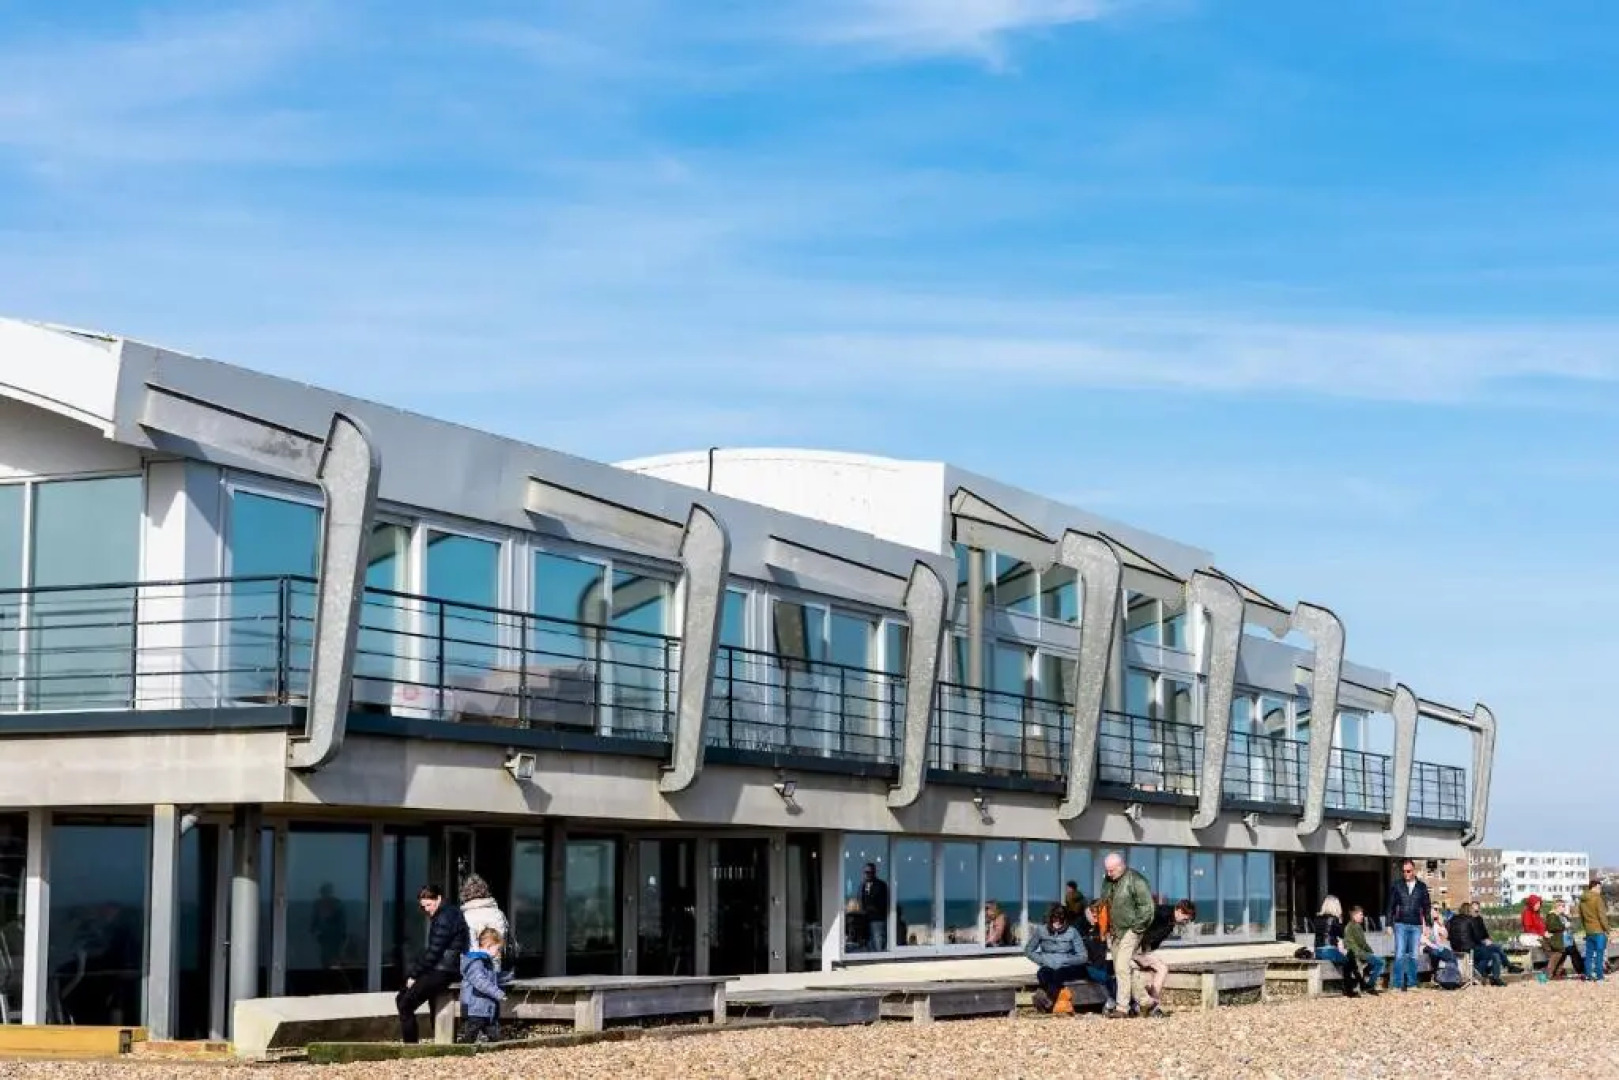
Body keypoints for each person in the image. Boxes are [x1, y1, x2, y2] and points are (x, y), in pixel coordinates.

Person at [396, 885, 469, 1044]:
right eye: (424, 906)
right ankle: (437, 1041)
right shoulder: (450, 912)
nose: (427, 909)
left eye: (429, 904)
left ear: (439, 899)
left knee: (404, 1002)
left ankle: (411, 1046)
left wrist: (414, 975)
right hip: (447, 968)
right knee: (422, 1000)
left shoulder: (443, 918)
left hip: (443, 970)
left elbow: (434, 953)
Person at [1099, 852, 1154, 1019]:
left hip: (1132, 929)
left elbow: (1147, 907)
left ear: (1121, 866)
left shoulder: (1136, 880)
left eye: (1112, 870)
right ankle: (1146, 1002)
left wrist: (1137, 928)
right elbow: (1105, 902)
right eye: (1107, 870)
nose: (1109, 874)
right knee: (1123, 969)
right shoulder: (1108, 881)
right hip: (1115, 931)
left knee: (1122, 966)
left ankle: (1122, 1007)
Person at [1131, 900, 1196, 1017]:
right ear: (1179, 911)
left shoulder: (1171, 923)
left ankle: (1152, 1003)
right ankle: (1146, 1004)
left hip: (1143, 950)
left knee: (1162, 968)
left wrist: (1146, 952)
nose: (1186, 923)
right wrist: (1137, 952)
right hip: (1132, 948)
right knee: (1149, 970)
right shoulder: (1160, 913)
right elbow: (1138, 925)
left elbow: (1154, 942)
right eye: (1186, 919)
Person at [1024, 904, 1089, 1013]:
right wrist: (1041, 960)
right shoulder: (1041, 930)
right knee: (1043, 974)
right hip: (1048, 965)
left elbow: (1083, 956)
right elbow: (1028, 950)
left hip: (1068, 967)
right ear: (1050, 919)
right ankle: (1047, 1000)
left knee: (1059, 974)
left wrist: (1066, 960)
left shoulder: (1072, 932)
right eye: (1055, 919)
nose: (1057, 922)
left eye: (1061, 920)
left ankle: (1046, 1000)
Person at [1384, 859, 1431, 992]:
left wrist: (1427, 925)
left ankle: (1412, 984)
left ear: (1414, 870)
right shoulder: (1397, 885)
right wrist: (1388, 924)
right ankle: (1397, 985)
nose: (1406, 874)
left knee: (1414, 955)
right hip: (1400, 924)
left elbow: (1427, 907)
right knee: (1399, 954)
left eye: (1408, 871)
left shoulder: (1422, 887)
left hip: (1416, 925)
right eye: (1404, 871)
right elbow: (1390, 906)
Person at [458, 927, 506, 1044]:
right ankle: (462, 1052)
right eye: (498, 949)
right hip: (474, 1008)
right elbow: (481, 982)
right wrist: (498, 993)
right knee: (470, 1035)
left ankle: (496, 1051)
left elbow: (490, 979)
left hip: (485, 1008)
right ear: (489, 946)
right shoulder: (476, 962)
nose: (499, 953)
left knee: (494, 1036)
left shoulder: (486, 962)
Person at [459, 874, 510, 971]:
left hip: (473, 968)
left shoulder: (465, 916)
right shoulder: (498, 914)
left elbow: (470, 946)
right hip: (495, 965)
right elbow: (503, 940)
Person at [1448, 903, 1504, 986]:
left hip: (1455, 948)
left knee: (1494, 952)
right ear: (1469, 910)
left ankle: (1488, 975)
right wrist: (1483, 942)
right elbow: (1477, 937)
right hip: (1469, 948)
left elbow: (1449, 935)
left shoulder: (1452, 919)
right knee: (1493, 952)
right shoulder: (1471, 919)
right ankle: (1485, 975)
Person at [1343, 905, 1383, 997]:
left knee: (1374, 962)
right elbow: (1362, 943)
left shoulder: (1349, 926)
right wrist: (1371, 952)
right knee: (1381, 962)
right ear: (1354, 915)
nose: (1362, 916)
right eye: (1360, 914)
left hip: (1354, 953)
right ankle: (1370, 985)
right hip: (1358, 953)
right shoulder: (1356, 926)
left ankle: (1365, 981)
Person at [1545, 897, 1586, 980]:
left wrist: (1568, 921)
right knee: (1557, 957)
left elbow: (1570, 925)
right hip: (1559, 940)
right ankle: (1548, 975)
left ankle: (1580, 972)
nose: (1564, 908)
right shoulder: (1552, 916)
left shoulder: (1562, 916)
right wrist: (1564, 926)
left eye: (1564, 906)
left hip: (1568, 940)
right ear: (1558, 907)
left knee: (1568, 957)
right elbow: (1552, 927)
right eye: (1563, 906)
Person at [1579, 878, 1610, 981]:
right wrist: (1607, 929)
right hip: (1598, 930)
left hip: (1589, 931)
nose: (1600, 890)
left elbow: (1581, 917)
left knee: (1589, 954)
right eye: (1599, 887)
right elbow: (1602, 916)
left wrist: (1586, 928)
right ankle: (1599, 976)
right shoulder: (1597, 899)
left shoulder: (1582, 900)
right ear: (1595, 887)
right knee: (1600, 954)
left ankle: (1588, 975)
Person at [859, 863, 889, 952]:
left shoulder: (880, 885)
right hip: (867, 919)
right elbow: (863, 899)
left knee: (878, 942)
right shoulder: (864, 885)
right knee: (870, 944)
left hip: (877, 919)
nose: (867, 875)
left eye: (869, 872)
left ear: (874, 873)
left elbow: (882, 902)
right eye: (865, 872)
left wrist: (872, 908)